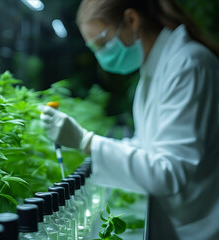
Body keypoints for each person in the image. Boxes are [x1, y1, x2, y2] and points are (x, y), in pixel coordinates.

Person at [39, 0, 219, 239]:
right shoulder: (156, 67)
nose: (102, 56)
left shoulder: (189, 65)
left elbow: (169, 171)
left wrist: (87, 142)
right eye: (95, 48)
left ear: (132, 20)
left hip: (200, 225)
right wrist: (91, 144)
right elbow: (146, 145)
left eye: (103, 42)